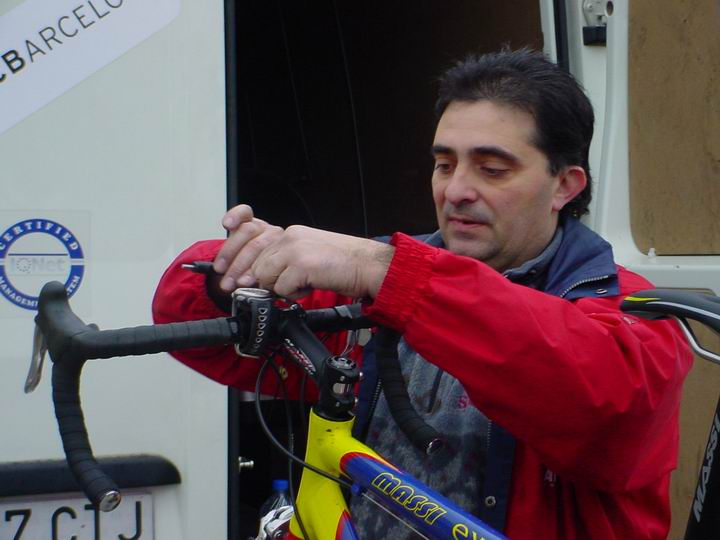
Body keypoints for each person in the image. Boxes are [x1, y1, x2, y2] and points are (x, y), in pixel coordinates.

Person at [153, 49, 692, 539]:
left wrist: (391, 274)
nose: (455, 190)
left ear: (565, 185)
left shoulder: (633, 309)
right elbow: (185, 319)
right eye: (444, 164)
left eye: (492, 169)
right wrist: (233, 274)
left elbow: (603, 404)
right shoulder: (383, 279)